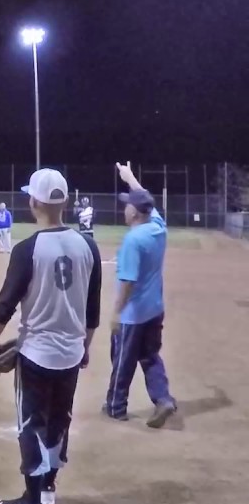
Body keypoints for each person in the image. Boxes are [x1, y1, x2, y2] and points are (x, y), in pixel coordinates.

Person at [0, 168, 101, 504]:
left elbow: (4, 307)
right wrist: (85, 347)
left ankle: (31, 503)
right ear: (64, 203)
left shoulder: (27, 249)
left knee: (31, 423)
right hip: (71, 353)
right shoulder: (88, 246)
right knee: (59, 419)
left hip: (35, 354)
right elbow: (91, 312)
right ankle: (48, 488)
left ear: (34, 203)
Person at [103, 161, 177, 428]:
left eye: (127, 204)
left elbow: (127, 283)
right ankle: (163, 399)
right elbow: (146, 198)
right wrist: (130, 177)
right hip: (154, 309)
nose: (125, 207)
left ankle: (116, 407)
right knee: (150, 356)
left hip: (133, 314)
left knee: (123, 360)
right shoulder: (158, 226)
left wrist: (115, 314)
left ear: (135, 211)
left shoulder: (133, 241)